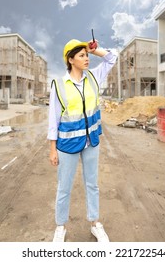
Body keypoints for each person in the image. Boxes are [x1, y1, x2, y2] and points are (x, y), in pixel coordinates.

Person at [47, 38, 117, 242]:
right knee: (64, 186)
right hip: (67, 145)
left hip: (91, 141)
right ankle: (60, 226)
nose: (86, 59)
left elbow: (112, 58)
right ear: (70, 60)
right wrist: (52, 149)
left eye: (86, 55)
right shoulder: (59, 85)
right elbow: (53, 119)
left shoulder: (94, 78)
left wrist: (93, 50)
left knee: (92, 184)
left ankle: (95, 223)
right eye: (82, 55)